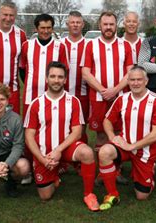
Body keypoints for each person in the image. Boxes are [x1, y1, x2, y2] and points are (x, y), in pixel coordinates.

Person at [24, 62, 99, 211]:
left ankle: (89, 194)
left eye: (60, 77)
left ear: (65, 80)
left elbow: (77, 131)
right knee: (45, 196)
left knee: (87, 153)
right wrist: (42, 159)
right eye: (52, 76)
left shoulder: (73, 101)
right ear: (46, 79)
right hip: (44, 153)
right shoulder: (36, 103)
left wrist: (59, 150)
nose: (56, 80)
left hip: (66, 148)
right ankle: (53, 175)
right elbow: (29, 136)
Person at [97, 66, 156, 211]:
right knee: (104, 152)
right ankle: (112, 194)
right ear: (127, 81)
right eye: (132, 80)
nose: (135, 83)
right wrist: (113, 137)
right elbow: (107, 121)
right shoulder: (122, 99)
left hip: (144, 152)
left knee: (142, 196)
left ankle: (149, 173)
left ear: (146, 81)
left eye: (139, 79)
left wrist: (132, 146)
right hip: (124, 145)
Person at [81, 11, 133, 149]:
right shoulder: (91, 45)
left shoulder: (125, 45)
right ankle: (103, 170)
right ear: (100, 25)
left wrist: (115, 90)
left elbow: (130, 73)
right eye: (105, 24)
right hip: (98, 97)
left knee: (118, 132)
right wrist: (104, 91)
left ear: (116, 26)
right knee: (101, 135)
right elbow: (85, 73)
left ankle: (116, 168)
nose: (108, 27)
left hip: (120, 97)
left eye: (111, 24)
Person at [20, 13, 68, 118]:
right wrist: (32, 83)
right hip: (30, 95)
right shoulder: (27, 45)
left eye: (49, 28)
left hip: (53, 96)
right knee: (29, 129)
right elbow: (22, 69)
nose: (46, 31)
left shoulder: (60, 46)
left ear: (52, 28)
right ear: (36, 28)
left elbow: (64, 72)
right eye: (42, 28)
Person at [61, 11, 89, 143]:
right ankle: (63, 161)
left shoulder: (90, 44)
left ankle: (81, 160)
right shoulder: (60, 44)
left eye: (78, 22)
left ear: (83, 24)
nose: (75, 25)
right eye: (72, 22)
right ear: (67, 24)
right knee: (62, 126)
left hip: (83, 94)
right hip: (62, 93)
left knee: (81, 127)